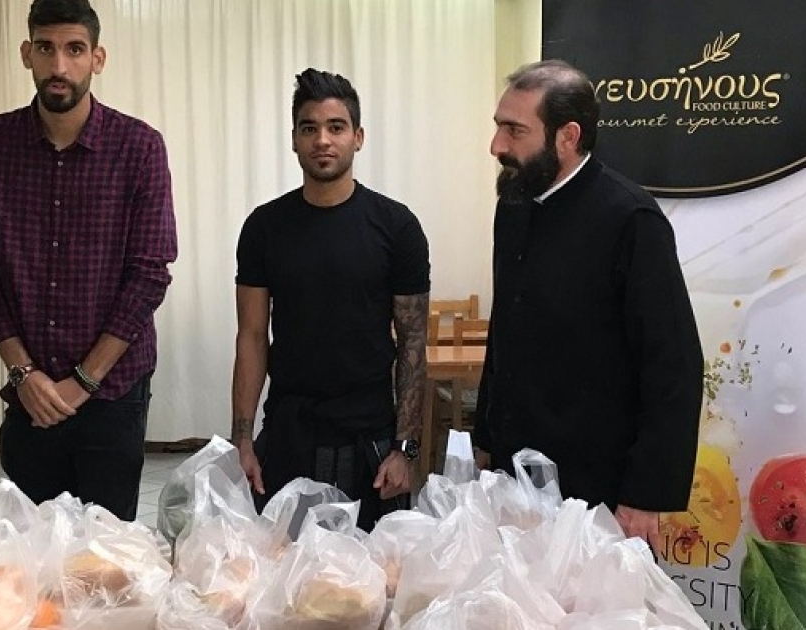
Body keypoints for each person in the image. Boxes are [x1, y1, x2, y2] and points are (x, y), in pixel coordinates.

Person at [0, 0, 177, 520]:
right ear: (26, 54)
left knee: (106, 551)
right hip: (29, 391)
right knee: (31, 550)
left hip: (114, 391)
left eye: (75, 49)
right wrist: (24, 373)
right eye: (46, 48)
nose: (59, 66)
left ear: (97, 58)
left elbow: (149, 274)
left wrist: (82, 382)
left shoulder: (139, 147)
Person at [474, 60, 703, 547]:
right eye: (498, 127)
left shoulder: (631, 219)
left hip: (598, 487)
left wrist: (645, 495)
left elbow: (673, 367)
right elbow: (506, 329)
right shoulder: (513, 207)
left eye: (514, 130)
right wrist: (487, 440)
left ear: (568, 136)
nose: (497, 146)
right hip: (516, 476)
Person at [231, 68, 431, 532]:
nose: (322, 140)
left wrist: (406, 450)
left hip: (370, 439)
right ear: (294, 140)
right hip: (289, 430)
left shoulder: (397, 227)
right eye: (309, 128)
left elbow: (413, 344)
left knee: (373, 570)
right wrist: (242, 438)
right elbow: (252, 336)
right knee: (283, 565)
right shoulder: (264, 228)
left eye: (336, 127)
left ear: (358, 137)